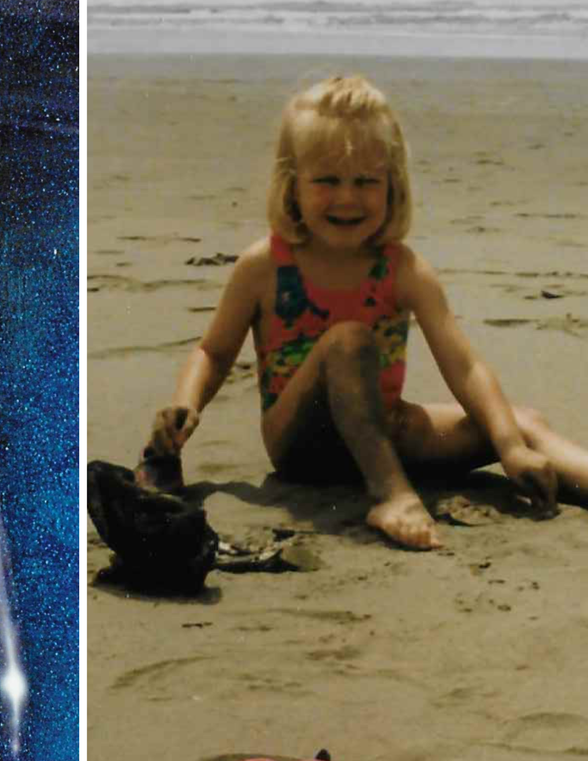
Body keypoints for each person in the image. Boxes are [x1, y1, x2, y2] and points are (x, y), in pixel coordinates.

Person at [145, 74, 587, 551]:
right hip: (303, 446)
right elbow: (213, 351)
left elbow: (466, 365)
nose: (347, 198)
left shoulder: (403, 268)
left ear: (392, 185)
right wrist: (187, 405)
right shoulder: (265, 266)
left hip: (385, 427)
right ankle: (391, 495)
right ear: (292, 185)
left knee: (517, 421)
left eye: (366, 182)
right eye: (327, 180)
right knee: (349, 340)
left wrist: (511, 448)